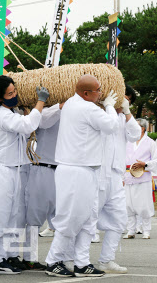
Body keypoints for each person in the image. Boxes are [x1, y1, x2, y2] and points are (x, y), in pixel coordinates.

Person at [0, 75, 49, 276]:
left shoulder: (11, 111)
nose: (14, 95)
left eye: (15, 91)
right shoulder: (1, 114)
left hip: (14, 169)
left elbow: (27, 124)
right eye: (10, 93)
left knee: (10, 216)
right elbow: (27, 125)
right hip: (1, 170)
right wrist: (41, 101)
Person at [44, 75, 118, 278]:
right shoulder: (87, 108)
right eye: (98, 90)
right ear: (86, 93)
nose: (101, 93)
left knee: (89, 218)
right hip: (76, 169)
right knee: (71, 218)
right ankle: (53, 260)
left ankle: (82, 262)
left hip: (85, 169)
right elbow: (112, 126)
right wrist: (110, 106)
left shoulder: (70, 103)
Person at [93, 86, 140, 274]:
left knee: (119, 220)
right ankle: (67, 259)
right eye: (122, 98)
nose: (123, 103)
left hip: (116, 175)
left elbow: (135, 134)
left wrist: (127, 112)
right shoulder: (98, 113)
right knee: (86, 218)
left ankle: (106, 260)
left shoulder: (124, 119)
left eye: (127, 101)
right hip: (96, 173)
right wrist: (109, 107)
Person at [23, 102, 63, 269]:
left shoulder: (75, 110)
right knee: (35, 216)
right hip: (43, 167)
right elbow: (43, 121)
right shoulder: (45, 111)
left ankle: (59, 258)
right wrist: (60, 105)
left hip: (64, 170)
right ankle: (29, 257)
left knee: (63, 218)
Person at [123, 118, 157, 240]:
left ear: (142, 128)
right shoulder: (127, 142)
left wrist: (145, 164)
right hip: (128, 177)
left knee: (144, 205)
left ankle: (146, 230)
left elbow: (156, 161)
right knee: (128, 205)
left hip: (143, 177)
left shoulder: (150, 143)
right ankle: (130, 230)